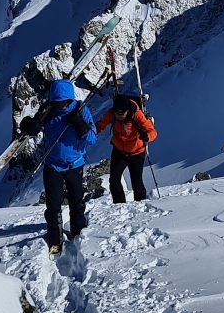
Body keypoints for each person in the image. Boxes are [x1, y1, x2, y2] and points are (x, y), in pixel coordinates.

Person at [22, 78, 97, 251]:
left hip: (75, 164)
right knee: (53, 206)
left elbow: (93, 138)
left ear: (70, 99)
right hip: (53, 166)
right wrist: (28, 125)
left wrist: (81, 126)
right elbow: (35, 125)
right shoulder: (48, 110)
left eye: (63, 103)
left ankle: (78, 234)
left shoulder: (81, 110)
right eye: (56, 103)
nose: (60, 106)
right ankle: (55, 241)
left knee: (77, 202)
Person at [97, 91, 157, 203]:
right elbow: (101, 125)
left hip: (137, 152)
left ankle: (140, 204)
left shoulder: (137, 115)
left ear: (128, 111)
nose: (119, 117)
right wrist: (88, 133)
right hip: (119, 151)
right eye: (117, 114)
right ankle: (119, 205)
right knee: (114, 180)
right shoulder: (111, 113)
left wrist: (147, 137)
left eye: (122, 114)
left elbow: (152, 131)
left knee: (136, 182)